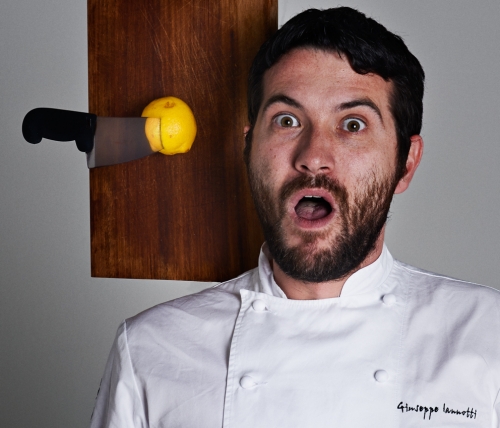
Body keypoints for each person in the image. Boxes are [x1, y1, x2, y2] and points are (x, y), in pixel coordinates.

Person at [90, 7, 500, 427]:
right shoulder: (148, 352)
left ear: (405, 164)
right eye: (287, 120)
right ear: (249, 149)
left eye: (353, 125)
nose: (314, 157)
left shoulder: (488, 335)